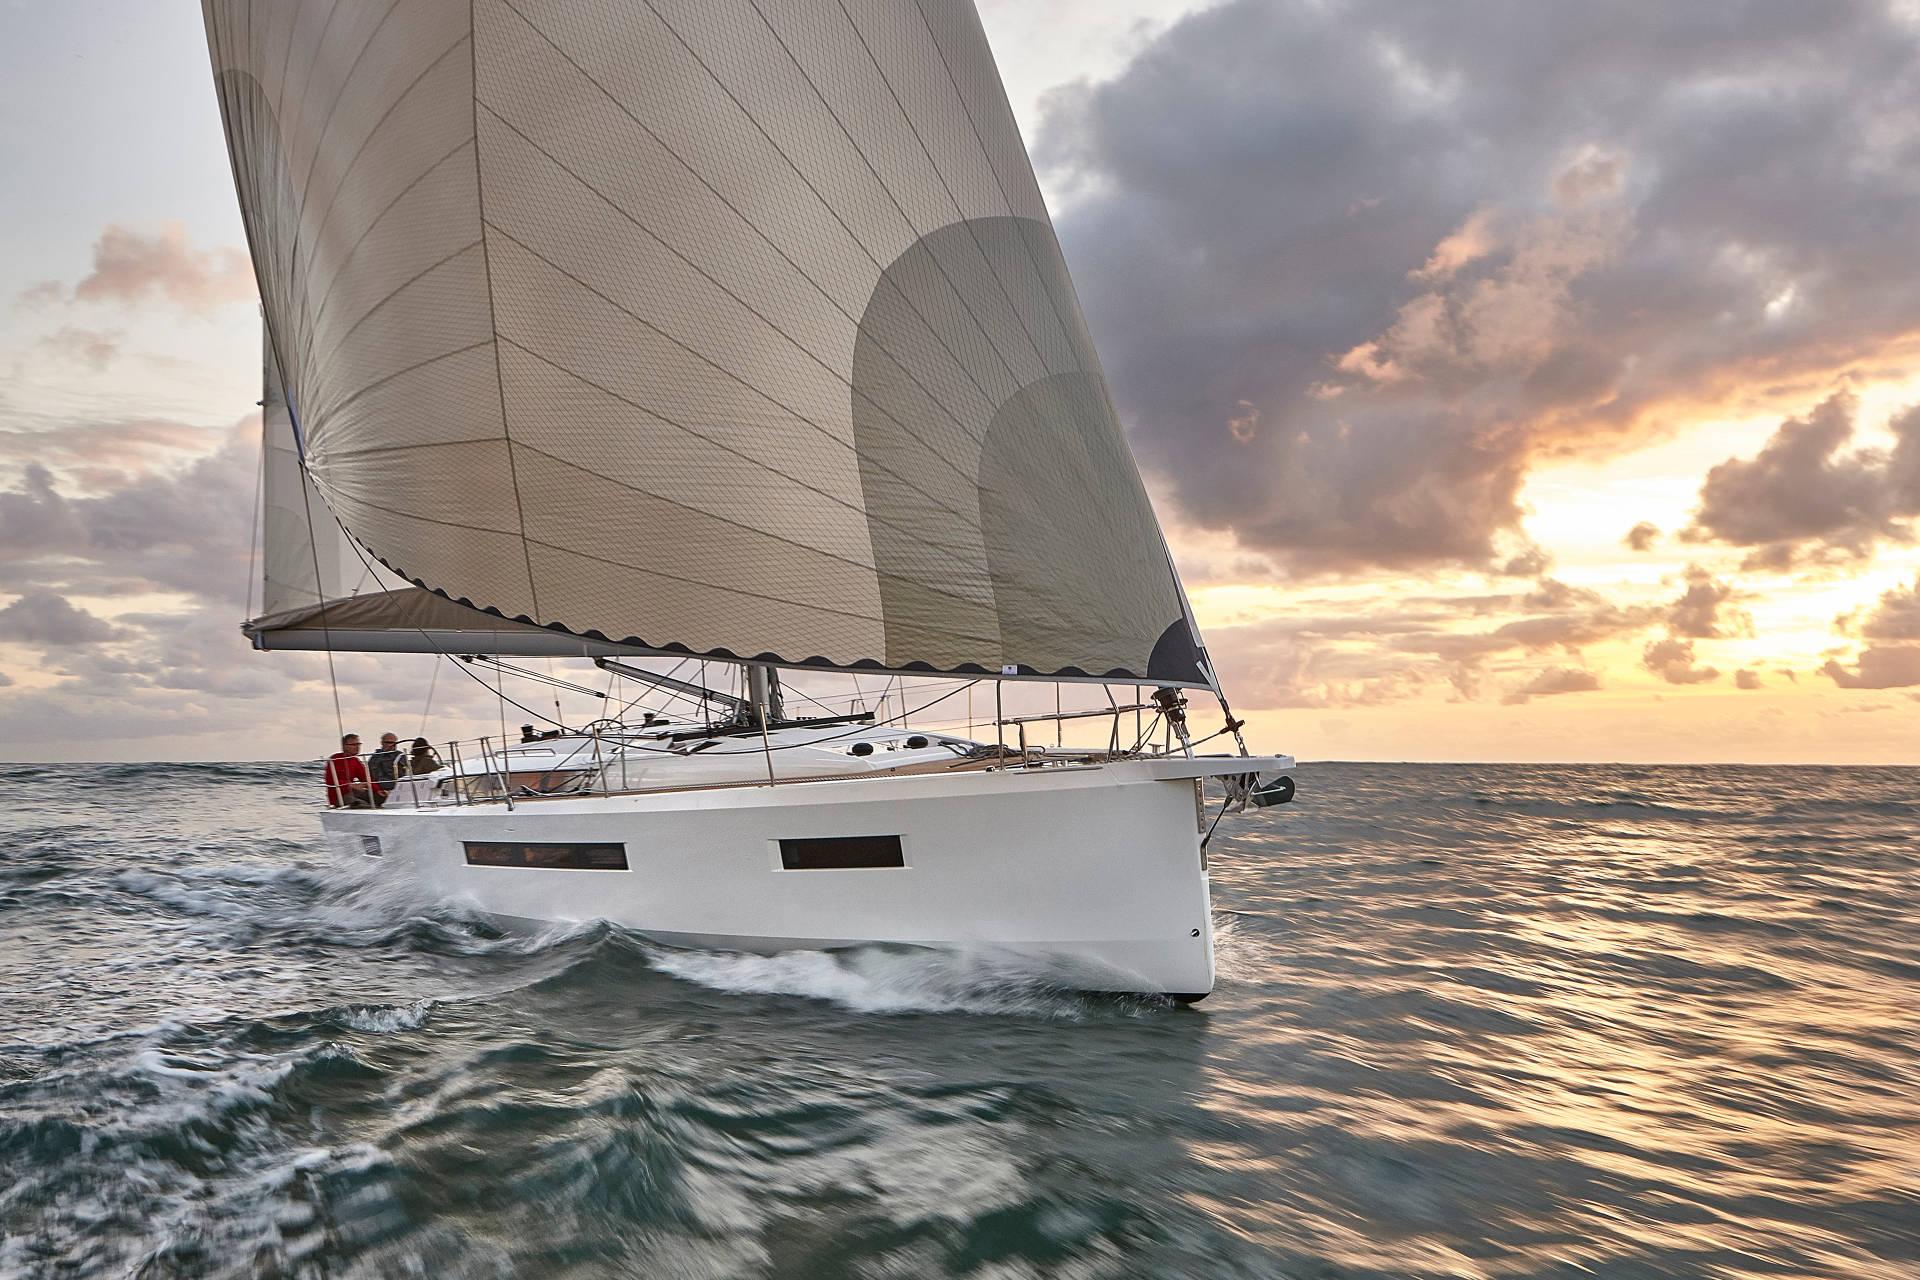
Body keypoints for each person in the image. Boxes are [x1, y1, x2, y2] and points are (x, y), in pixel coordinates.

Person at [324, 734, 377, 808]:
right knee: (362, 804)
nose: (357, 747)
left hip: (353, 792)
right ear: (345, 746)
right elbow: (330, 781)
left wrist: (378, 790)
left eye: (358, 744)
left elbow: (366, 778)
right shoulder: (335, 760)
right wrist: (352, 785)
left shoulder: (355, 761)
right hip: (339, 795)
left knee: (379, 798)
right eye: (354, 744)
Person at [368, 732, 403, 799]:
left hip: (400, 785)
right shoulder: (375, 757)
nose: (391, 745)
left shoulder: (401, 756)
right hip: (383, 785)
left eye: (393, 743)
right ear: (382, 743)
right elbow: (374, 775)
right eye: (388, 742)